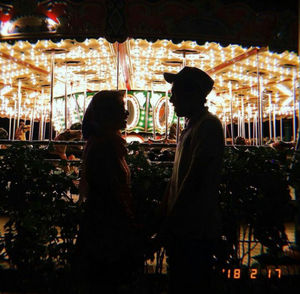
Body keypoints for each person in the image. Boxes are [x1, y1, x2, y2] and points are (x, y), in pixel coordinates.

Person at [157, 67, 225, 293]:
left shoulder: (208, 126)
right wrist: (163, 208)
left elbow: (194, 179)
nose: (171, 98)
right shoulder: (191, 126)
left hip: (195, 227)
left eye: (175, 92)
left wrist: (171, 220)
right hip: (183, 225)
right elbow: (178, 176)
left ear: (191, 94)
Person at [72, 90, 144, 293]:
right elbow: (111, 191)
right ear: (108, 113)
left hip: (104, 225)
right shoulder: (104, 147)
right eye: (121, 109)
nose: (126, 114)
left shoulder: (108, 144)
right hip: (107, 229)